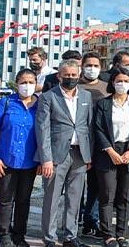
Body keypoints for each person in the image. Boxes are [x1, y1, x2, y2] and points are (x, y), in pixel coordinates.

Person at [36, 59, 93, 247]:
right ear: (59, 76)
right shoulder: (48, 97)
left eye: (74, 75)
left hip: (79, 154)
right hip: (56, 156)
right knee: (51, 198)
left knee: (75, 198)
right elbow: (42, 129)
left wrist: (89, 155)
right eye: (66, 75)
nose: (70, 78)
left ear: (79, 76)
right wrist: (46, 159)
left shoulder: (86, 97)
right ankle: (50, 238)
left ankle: (70, 236)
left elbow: (88, 127)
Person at [0, 69, 39, 247]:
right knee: (6, 199)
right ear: (17, 84)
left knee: (24, 200)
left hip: (30, 162)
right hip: (5, 161)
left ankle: (19, 235)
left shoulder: (40, 105)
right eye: (23, 82)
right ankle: (4, 235)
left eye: (31, 82)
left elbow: (45, 134)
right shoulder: (6, 103)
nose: (27, 86)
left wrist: (41, 159)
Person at [93, 68, 129, 247]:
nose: (122, 84)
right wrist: (110, 151)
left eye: (126, 81)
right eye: (119, 81)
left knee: (125, 196)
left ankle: (122, 234)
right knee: (107, 195)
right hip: (108, 152)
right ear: (113, 83)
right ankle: (108, 234)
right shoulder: (103, 104)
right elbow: (98, 129)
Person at [79, 52, 108, 238]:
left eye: (95, 65)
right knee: (76, 186)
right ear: (82, 66)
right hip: (78, 143)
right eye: (88, 65)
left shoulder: (106, 88)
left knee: (97, 186)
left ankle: (91, 219)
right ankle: (76, 219)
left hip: (100, 144)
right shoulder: (75, 86)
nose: (92, 68)